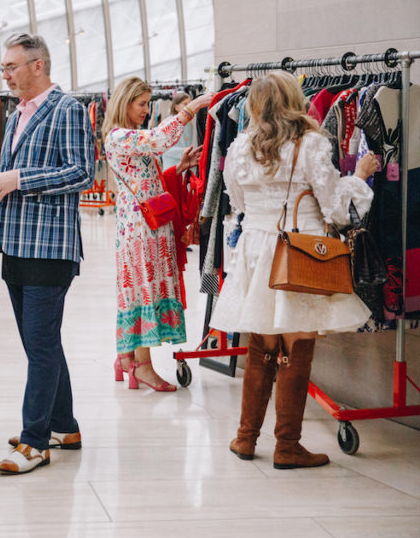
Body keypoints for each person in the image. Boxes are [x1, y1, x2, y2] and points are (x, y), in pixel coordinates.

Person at [211, 71, 379, 469]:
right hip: (298, 250)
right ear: (294, 100)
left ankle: (245, 437)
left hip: (255, 249)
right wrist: (359, 177)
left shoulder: (239, 147)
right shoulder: (311, 144)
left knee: (262, 342)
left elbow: (237, 201)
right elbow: (336, 208)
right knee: (296, 344)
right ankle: (287, 445)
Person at [0, 33, 95, 475]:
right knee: (39, 343)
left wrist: (19, 180)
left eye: (11, 67)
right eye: (3, 68)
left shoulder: (66, 109)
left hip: (50, 249)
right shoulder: (16, 115)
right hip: (15, 243)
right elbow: (18, 169)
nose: (5, 75)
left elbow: (82, 171)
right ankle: (64, 427)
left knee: (41, 345)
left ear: (38, 66)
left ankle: (35, 442)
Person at [103, 78, 213, 391]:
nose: (145, 110)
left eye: (148, 104)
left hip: (148, 224)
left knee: (140, 289)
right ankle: (142, 365)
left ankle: (127, 357)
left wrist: (178, 170)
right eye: (141, 104)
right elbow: (157, 140)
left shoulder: (130, 138)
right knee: (142, 288)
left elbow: (145, 177)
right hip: (140, 228)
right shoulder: (119, 137)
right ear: (124, 103)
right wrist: (192, 108)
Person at [162, 91, 196, 170]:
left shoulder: (190, 122)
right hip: (173, 167)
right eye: (185, 104)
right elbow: (163, 148)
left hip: (188, 167)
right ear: (176, 107)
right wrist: (183, 151)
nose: (189, 107)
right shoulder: (169, 123)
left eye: (190, 104)